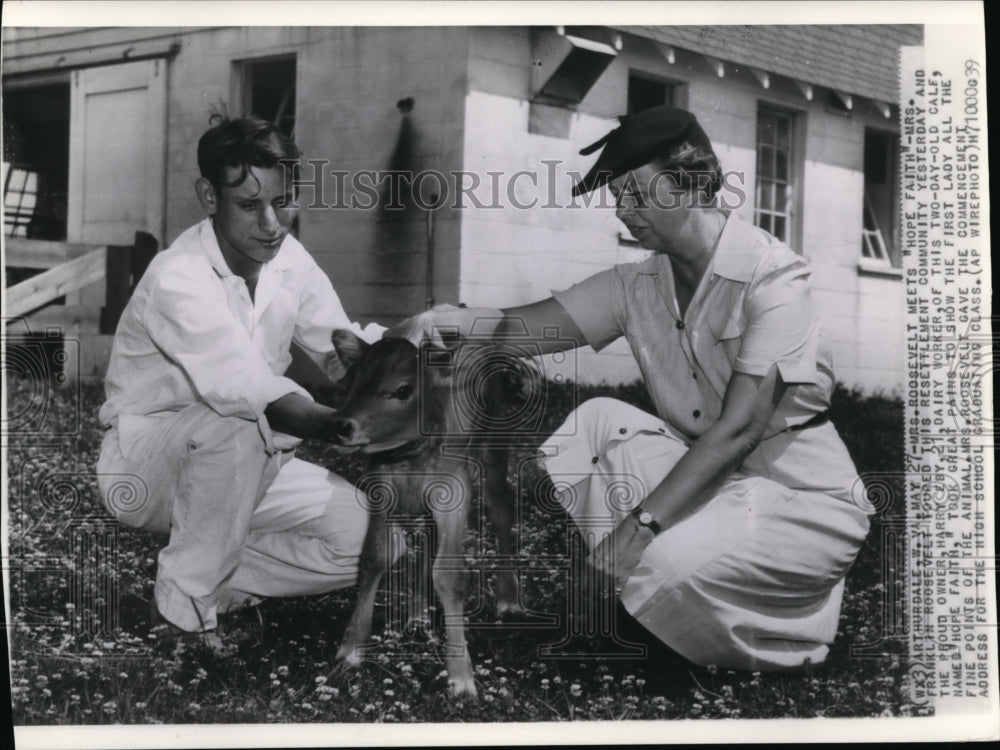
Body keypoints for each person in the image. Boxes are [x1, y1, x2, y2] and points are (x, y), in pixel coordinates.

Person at [390, 105, 874, 671]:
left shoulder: (775, 279)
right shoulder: (639, 283)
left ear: (692, 183)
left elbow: (739, 431)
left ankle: (754, 624)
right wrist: (444, 320)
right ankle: (663, 605)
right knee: (596, 423)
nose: (622, 211)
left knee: (657, 561)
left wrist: (635, 531)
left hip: (804, 500)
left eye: (635, 193)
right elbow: (520, 329)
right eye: (615, 196)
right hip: (720, 485)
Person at [96, 116, 384, 651]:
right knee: (240, 416)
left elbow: (343, 348)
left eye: (285, 201)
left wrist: (417, 355)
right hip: (144, 468)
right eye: (250, 206)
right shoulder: (175, 275)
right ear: (209, 195)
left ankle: (213, 581)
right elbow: (246, 387)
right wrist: (341, 426)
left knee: (363, 539)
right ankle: (182, 615)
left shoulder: (287, 257)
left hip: (246, 460)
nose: (273, 223)